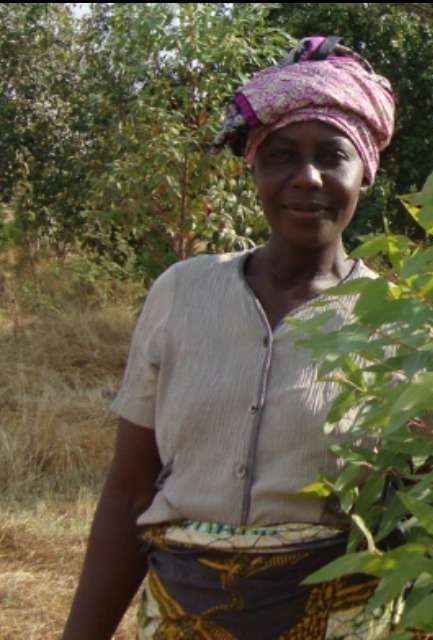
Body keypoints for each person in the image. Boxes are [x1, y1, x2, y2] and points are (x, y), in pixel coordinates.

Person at [63, 35, 401, 639]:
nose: (306, 178)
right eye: (281, 157)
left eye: (332, 155)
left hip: (339, 619)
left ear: (365, 172)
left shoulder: (398, 322)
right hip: (183, 616)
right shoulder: (183, 292)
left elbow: (431, 520)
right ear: (253, 167)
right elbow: (130, 488)